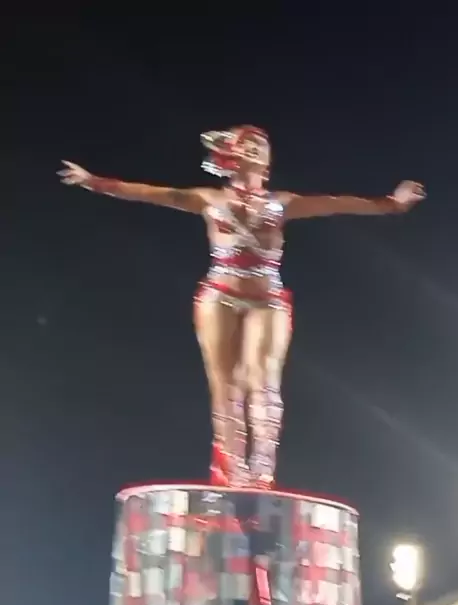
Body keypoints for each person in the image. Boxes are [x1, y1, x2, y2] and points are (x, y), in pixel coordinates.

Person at [59, 126, 425, 488]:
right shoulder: (209, 199)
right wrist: (93, 181)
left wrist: (391, 204)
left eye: (260, 145)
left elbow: (336, 203)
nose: (253, 149)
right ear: (231, 155)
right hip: (219, 295)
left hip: (267, 299)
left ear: (268, 160)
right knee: (225, 385)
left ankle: (262, 470)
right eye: (246, 144)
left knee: (262, 379)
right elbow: (150, 193)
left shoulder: (282, 203)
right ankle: (233, 471)